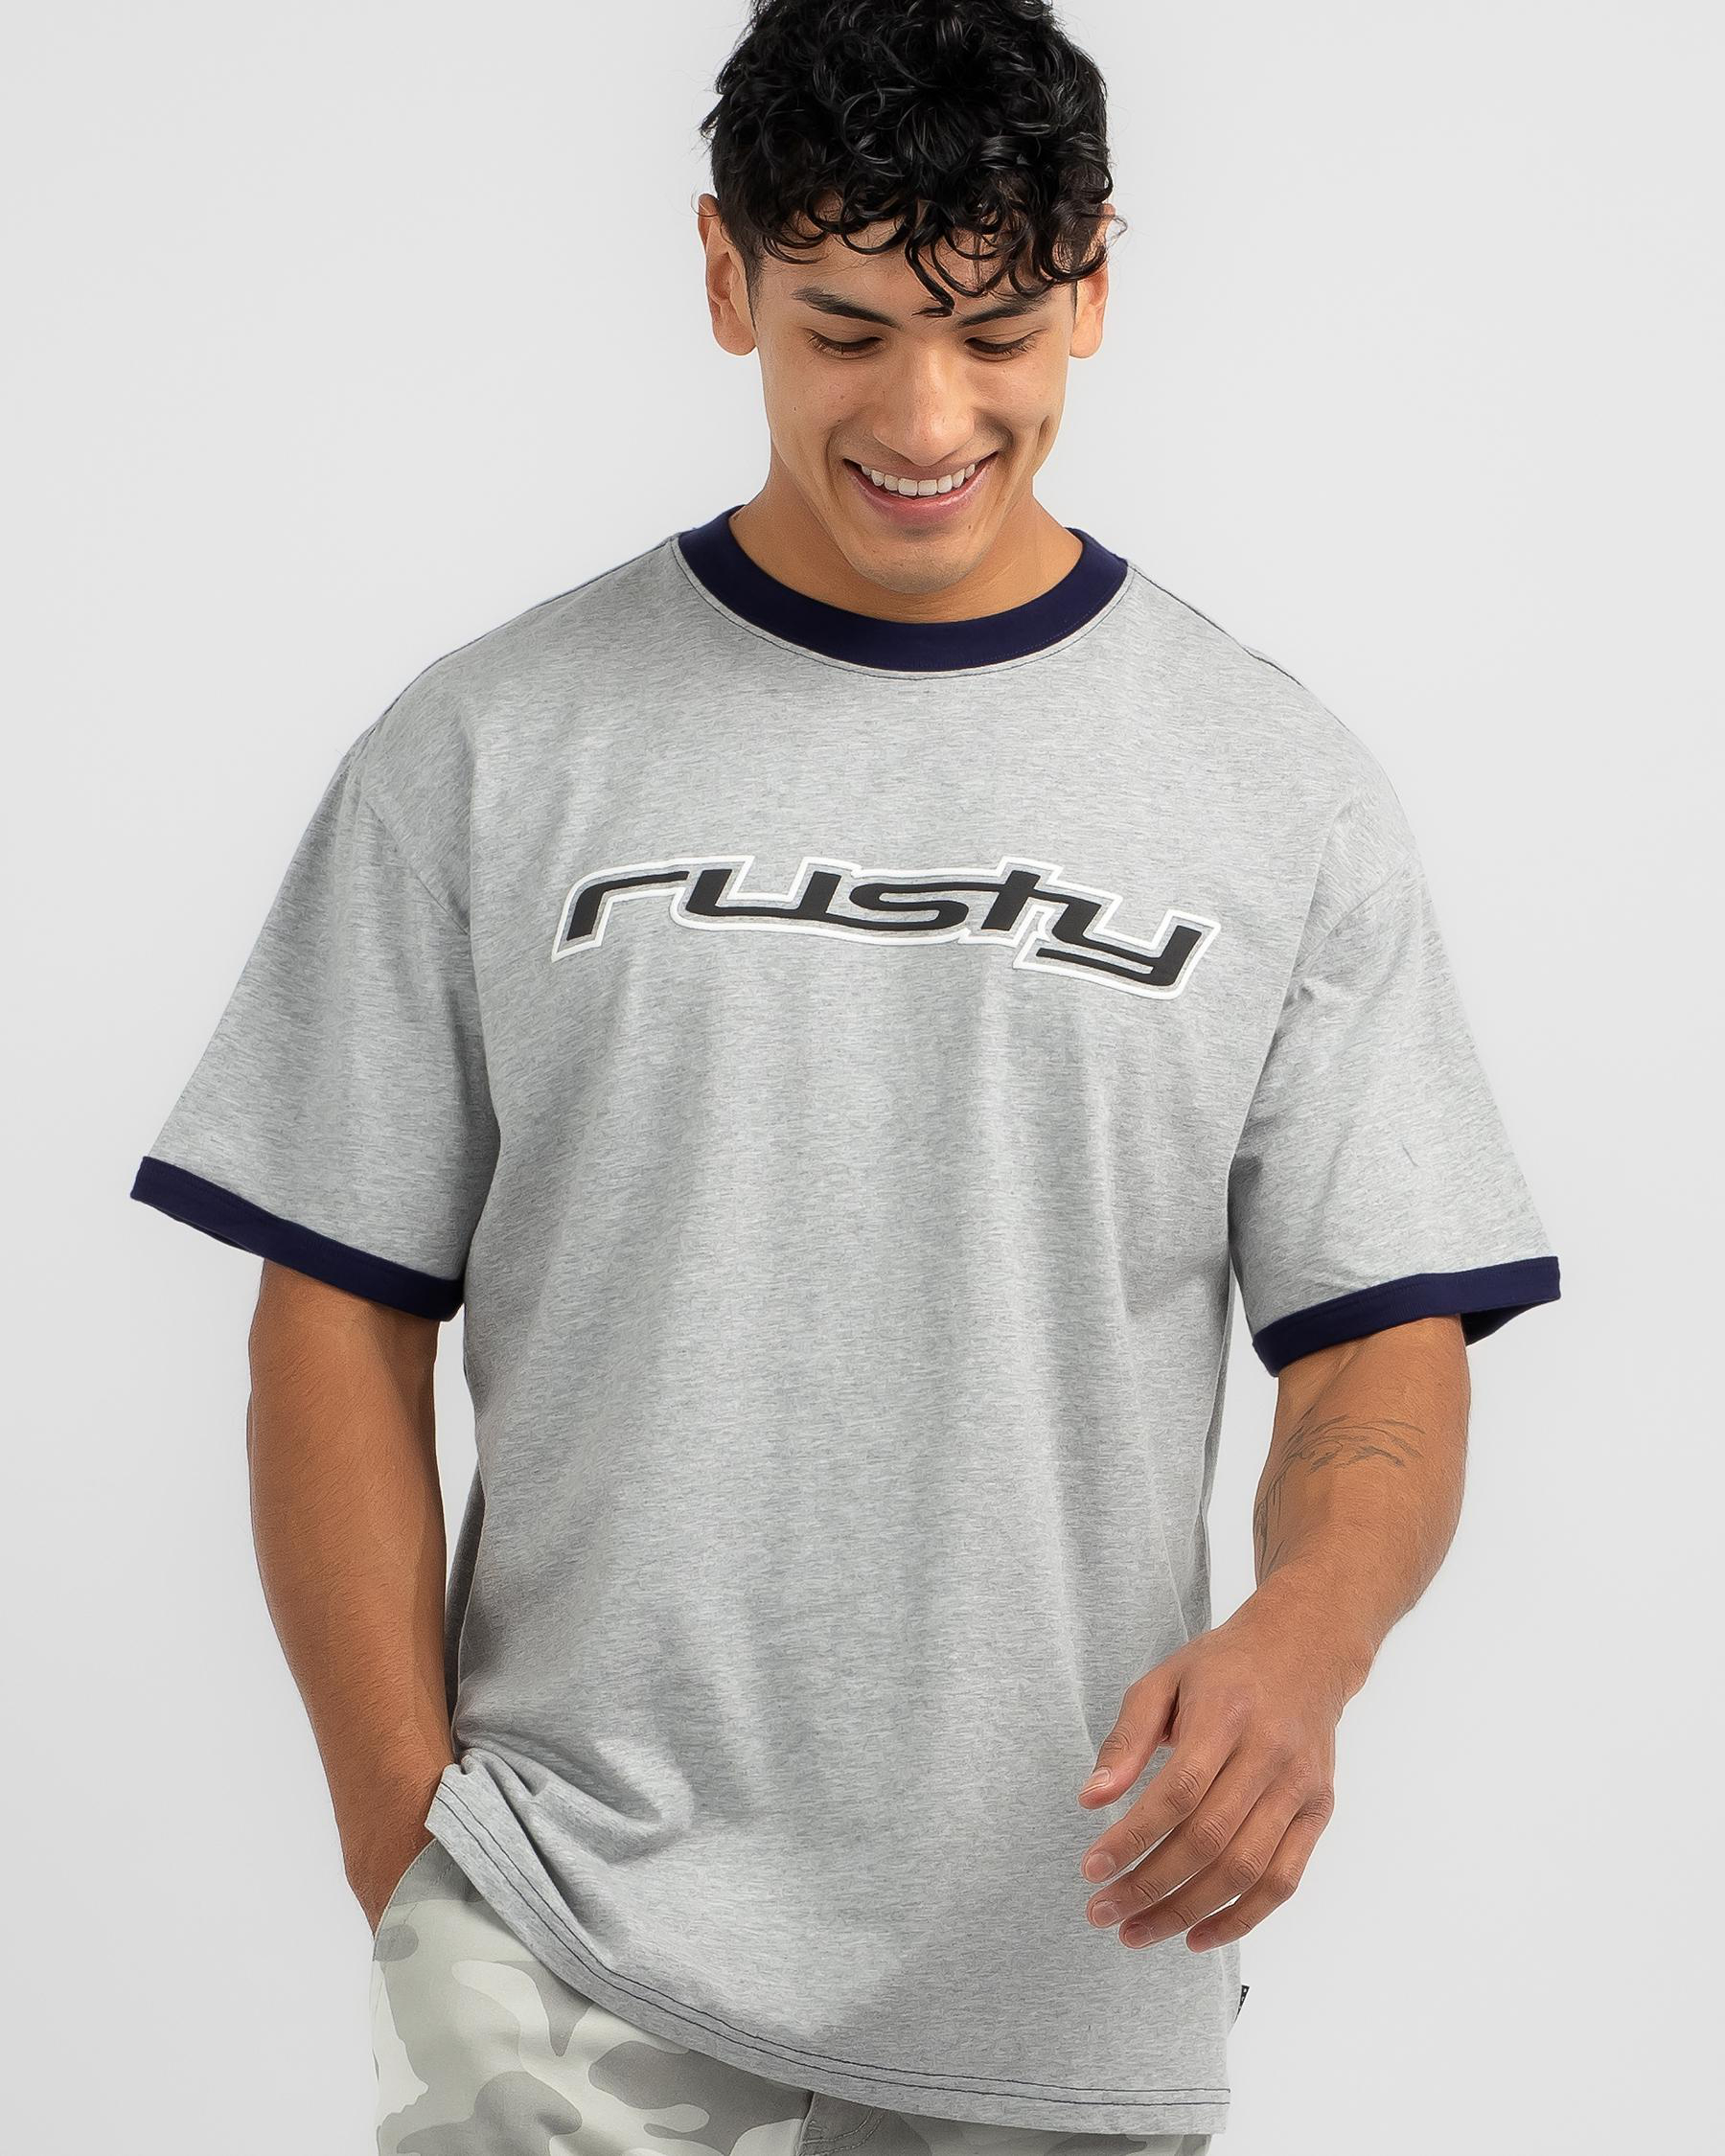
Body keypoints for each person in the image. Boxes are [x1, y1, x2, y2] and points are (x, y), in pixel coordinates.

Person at [128, 2, 1561, 2149]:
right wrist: (406, 1851)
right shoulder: (490, 745)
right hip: (560, 1937)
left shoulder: (1277, 790)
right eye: (848, 330)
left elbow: (1378, 1338)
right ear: (726, 277)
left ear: (1095, 285)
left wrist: (1310, 1632)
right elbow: (335, 1308)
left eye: (993, 333)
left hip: (1070, 1949)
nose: (924, 414)